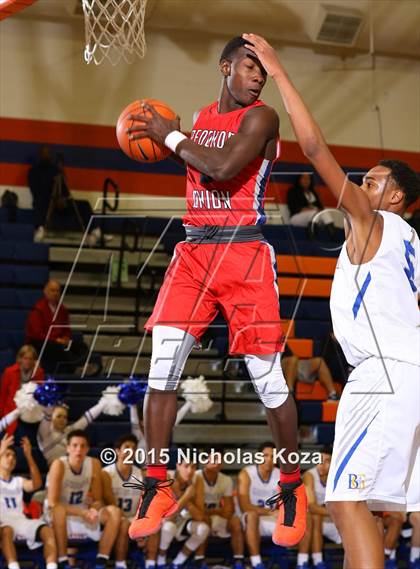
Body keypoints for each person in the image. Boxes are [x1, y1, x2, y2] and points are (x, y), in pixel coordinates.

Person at [242, 33, 420, 569]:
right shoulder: (410, 244)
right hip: (406, 373)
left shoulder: (376, 222)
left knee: (343, 501)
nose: (361, 187)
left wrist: (277, 70)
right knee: (372, 509)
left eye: (372, 180)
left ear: (395, 198)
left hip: (383, 376)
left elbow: (315, 150)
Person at [126, 35, 306, 547]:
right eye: (250, 66)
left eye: (263, 71)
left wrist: (168, 136)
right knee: (160, 370)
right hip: (192, 252)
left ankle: (292, 487)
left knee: (268, 380)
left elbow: (224, 171)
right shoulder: (201, 119)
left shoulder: (263, 119)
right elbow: (201, 164)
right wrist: (173, 135)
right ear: (225, 66)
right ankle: (156, 485)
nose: (258, 76)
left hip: (244, 253)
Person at [45, 429, 121, 569]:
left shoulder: (94, 464)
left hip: (82, 512)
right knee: (59, 510)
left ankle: (101, 560)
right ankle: (63, 560)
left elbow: (98, 499)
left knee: (114, 512)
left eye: (82, 446)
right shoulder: (59, 465)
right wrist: (83, 512)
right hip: (59, 514)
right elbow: (52, 503)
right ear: (67, 448)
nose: (78, 450)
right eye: (74, 445)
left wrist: (93, 509)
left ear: (87, 448)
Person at [101, 433, 159, 569]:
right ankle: (120, 564)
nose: (130, 451)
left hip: (134, 516)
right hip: (114, 519)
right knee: (123, 523)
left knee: (155, 522)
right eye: (127, 447)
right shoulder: (106, 473)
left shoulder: (141, 474)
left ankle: (151, 563)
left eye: (133, 448)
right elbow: (108, 502)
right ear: (117, 451)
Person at [0, 434, 57, 569]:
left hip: (20, 521)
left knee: (47, 530)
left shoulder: (18, 480)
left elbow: (36, 484)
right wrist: (1, 450)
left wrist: (29, 456)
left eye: (13, 456)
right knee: (7, 530)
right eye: (7, 455)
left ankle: (52, 566)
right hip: (3, 523)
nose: (11, 458)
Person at [154, 455, 208, 569]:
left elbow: (199, 516)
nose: (190, 471)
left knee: (203, 528)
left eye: (193, 467)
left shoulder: (197, 480)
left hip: (184, 520)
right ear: (178, 466)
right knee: (169, 527)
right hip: (164, 522)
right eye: (186, 466)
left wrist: (182, 497)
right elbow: (167, 516)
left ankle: (178, 562)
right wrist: (186, 497)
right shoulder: (167, 477)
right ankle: (161, 558)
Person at [25, 279, 89, 374]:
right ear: (45, 292)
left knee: (82, 346)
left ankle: (82, 366)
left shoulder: (62, 310)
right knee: (59, 347)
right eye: (52, 290)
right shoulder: (38, 309)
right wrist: (55, 340)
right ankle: (75, 368)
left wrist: (65, 339)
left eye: (57, 291)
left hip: (58, 340)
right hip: (40, 342)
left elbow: (66, 329)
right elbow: (37, 333)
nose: (55, 293)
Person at [194, 450, 245, 569]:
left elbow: (228, 509)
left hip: (216, 517)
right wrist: (217, 511)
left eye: (220, 460)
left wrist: (214, 512)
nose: (217, 463)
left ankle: (239, 560)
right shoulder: (196, 477)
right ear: (205, 461)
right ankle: (199, 560)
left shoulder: (226, 480)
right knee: (204, 519)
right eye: (213, 459)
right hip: (196, 518)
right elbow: (197, 509)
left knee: (235, 521)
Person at [237, 441, 280, 569]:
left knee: (301, 519)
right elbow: (245, 506)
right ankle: (256, 562)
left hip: (270, 518)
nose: (269, 459)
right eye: (265, 455)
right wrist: (269, 512)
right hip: (247, 518)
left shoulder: (280, 474)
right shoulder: (246, 474)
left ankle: (304, 561)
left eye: (273, 456)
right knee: (252, 515)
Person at [297, 445, 341, 569]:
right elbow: (312, 507)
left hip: (330, 519)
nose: (322, 464)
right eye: (319, 460)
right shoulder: (309, 476)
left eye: (327, 461)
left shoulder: (338, 477)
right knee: (314, 516)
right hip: (308, 520)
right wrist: (337, 513)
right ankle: (311, 561)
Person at [37, 398, 108, 464]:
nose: (62, 420)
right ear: (51, 417)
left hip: (71, 468)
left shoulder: (69, 431)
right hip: (54, 471)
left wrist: (104, 403)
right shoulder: (45, 433)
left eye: (65, 417)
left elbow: (86, 419)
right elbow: (47, 416)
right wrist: (50, 399)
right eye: (58, 416)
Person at [0, 345, 44, 435]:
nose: (27, 361)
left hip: (31, 410)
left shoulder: (39, 372)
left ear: (34, 361)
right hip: (12, 410)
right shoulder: (9, 372)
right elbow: (3, 395)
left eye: (30, 359)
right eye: (25, 358)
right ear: (20, 359)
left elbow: (40, 394)